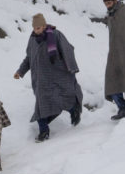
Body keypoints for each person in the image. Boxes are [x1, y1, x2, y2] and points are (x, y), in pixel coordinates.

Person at [14, 13, 83, 143]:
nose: (36, 30)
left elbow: (68, 50)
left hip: (57, 75)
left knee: (62, 98)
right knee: (41, 105)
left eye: (39, 28)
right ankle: (44, 131)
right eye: (35, 28)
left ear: (44, 26)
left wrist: (71, 67)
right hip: (41, 80)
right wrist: (20, 71)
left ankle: (74, 110)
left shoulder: (56, 35)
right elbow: (29, 58)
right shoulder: (32, 39)